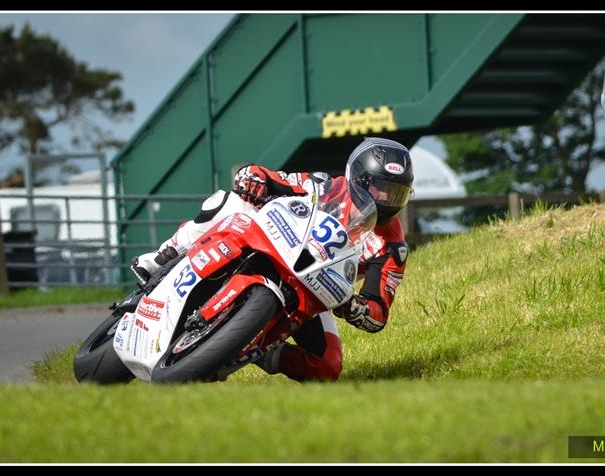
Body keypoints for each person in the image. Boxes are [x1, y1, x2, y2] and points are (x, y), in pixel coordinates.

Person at [131, 137, 414, 382]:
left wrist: (353, 306)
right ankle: (163, 255)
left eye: (398, 193)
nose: (388, 199)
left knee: (328, 366)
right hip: (268, 242)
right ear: (359, 178)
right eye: (381, 188)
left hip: (311, 289)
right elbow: (273, 178)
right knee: (231, 202)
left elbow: (378, 313)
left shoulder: (392, 247)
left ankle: (258, 352)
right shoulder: (323, 185)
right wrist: (253, 176)